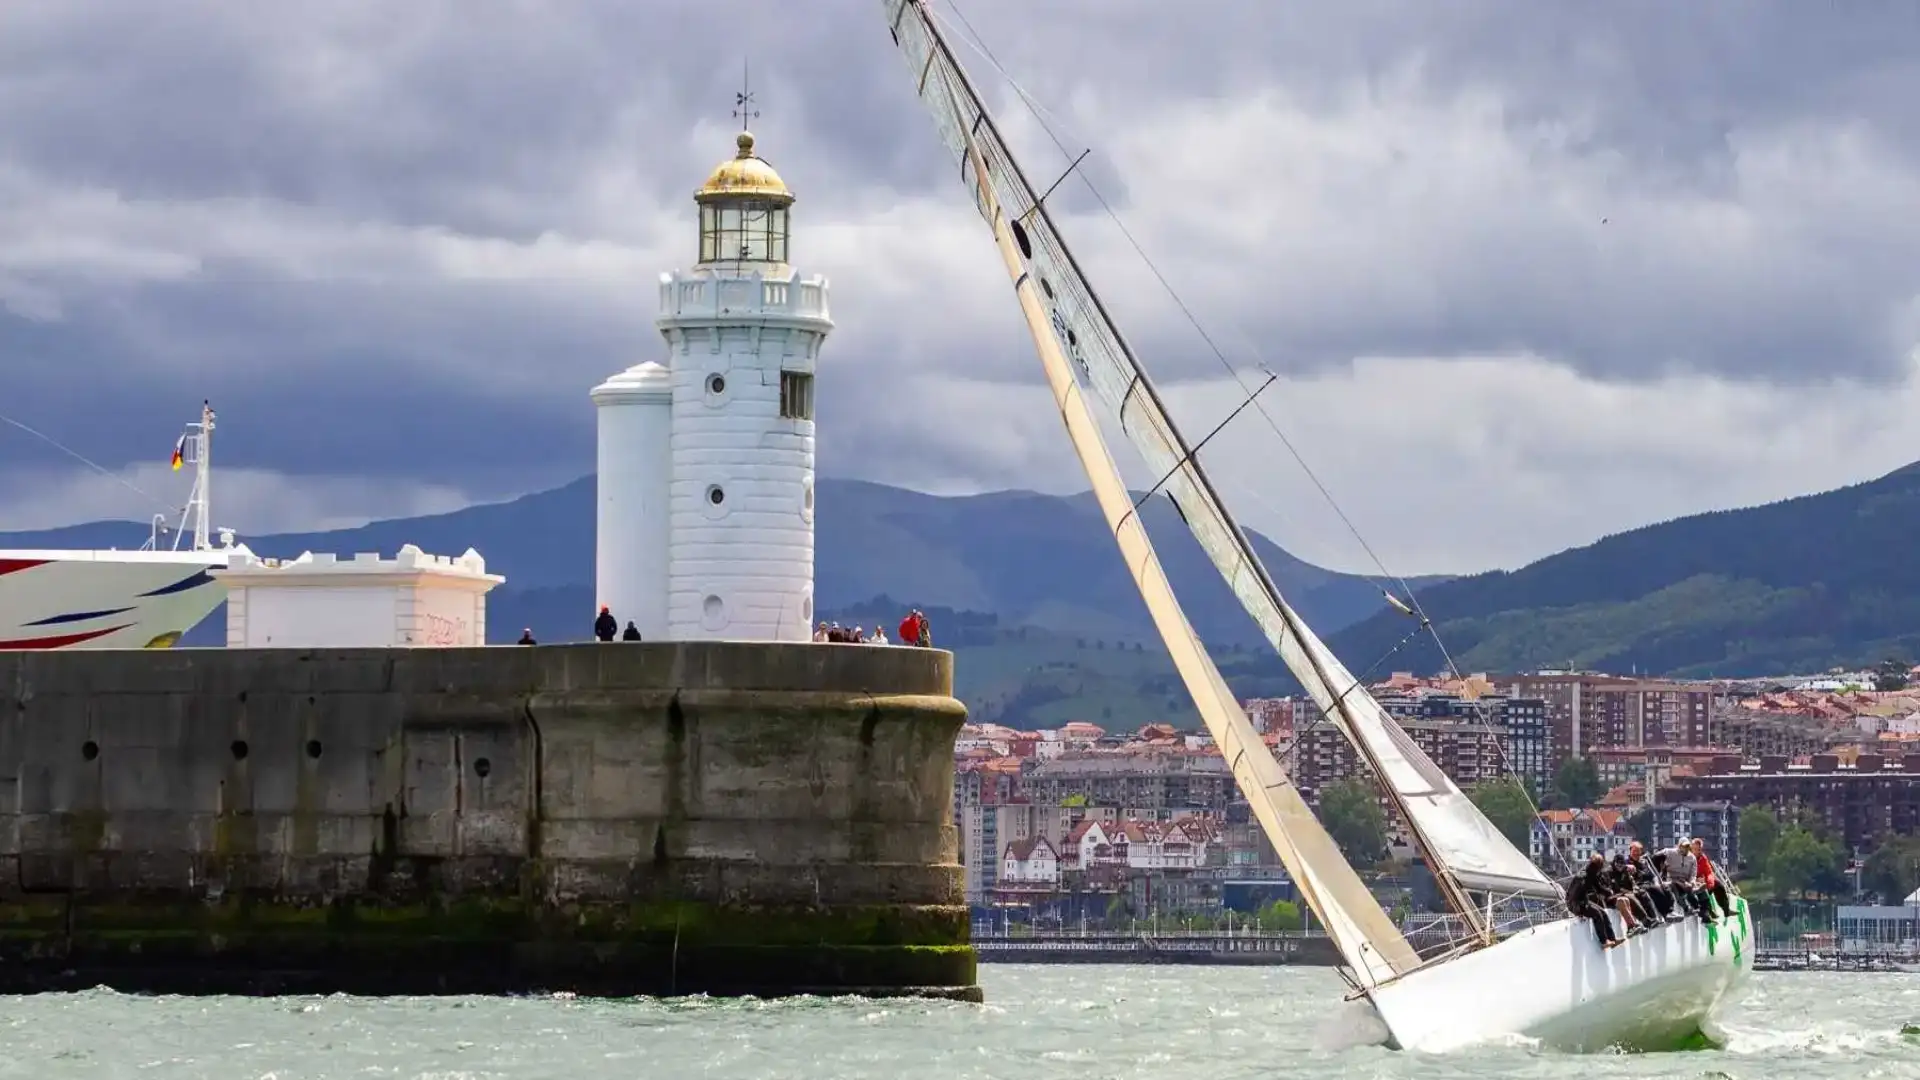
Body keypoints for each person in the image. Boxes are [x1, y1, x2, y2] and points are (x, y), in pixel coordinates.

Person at [1566, 853, 1619, 948]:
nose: (1600, 869)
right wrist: (1577, 910)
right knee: (1597, 914)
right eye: (1600, 866)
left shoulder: (1592, 874)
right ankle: (1604, 942)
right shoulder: (1582, 876)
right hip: (1575, 904)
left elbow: (1598, 888)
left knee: (1603, 912)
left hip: (1584, 901)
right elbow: (1573, 896)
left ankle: (1612, 939)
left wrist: (1610, 893)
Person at [1628, 841, 1678, 922]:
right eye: (1634, 851)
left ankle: (1670, 911)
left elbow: (1653, 875)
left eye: (1638, 851)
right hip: (1639, 885)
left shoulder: (1644, 862)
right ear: (1630, 851)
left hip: (1649, 883)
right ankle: (1665, 913)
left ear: (1641, 852)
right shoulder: (1628, 863)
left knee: (1665, 888)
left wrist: (1657, 883)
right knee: (1654, 890)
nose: (1636, 853)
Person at [1665, 836, 1711, 922]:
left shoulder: (1692, 858)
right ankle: (1687, 907)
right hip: (1672, 879)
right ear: (1679, 846)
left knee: (1700, 889)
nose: (1685, 849)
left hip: (1686, 880)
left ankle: (1705, 912)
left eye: (1687, 847)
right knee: (1677, 886)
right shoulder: (1670, 852)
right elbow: (1658, 856)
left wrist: (1692, 882)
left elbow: (1693, 874)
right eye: (1683, 846)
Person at [1605, 852, 1650, 936]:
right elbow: (1612, 888)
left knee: (1634, 896)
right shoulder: (1609, 872)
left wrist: (1630, 889)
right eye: (1618, 863)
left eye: (1622, 864)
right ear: (1614, 863)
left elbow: (1630, 885)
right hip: (1610, 896)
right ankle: (1643, 920)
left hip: (1620, 894)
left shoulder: (1625, 871)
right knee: (1627, 897)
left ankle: (1635, 925)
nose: (1620, 866)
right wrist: (1624, 891)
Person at [1692, 837, 1733, 920]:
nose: (1697, 851)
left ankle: (1726, 909)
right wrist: (1696, 879)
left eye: (1699, 849)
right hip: (1693, 882)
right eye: (1695, 849)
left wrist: (1710, 882)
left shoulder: (1703, 858)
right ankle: (1709, 911)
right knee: (1701, 889)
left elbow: (1709, 872)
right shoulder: (1688, 857)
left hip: (1703, 881)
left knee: (1718, 885)